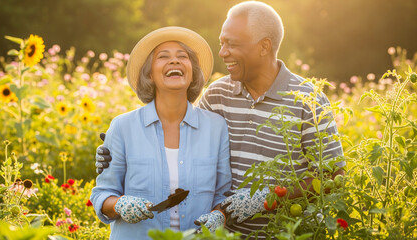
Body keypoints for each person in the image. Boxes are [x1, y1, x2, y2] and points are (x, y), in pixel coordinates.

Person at [96, 2, 345, 239]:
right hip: (227, 236)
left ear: (264, 46)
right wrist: (113, 151)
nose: (223, 53)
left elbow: (334, 176)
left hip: (283, 233)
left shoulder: (308, 101)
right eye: (222, 43)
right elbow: (178, 131)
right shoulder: (218, 95)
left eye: (232, 44)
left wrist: (270, 197)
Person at [90, 26, 232, 240]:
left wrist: (219, 215)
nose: (174, 61)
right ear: (149, 73)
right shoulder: (122, 127)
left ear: (193, 71)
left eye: (182, 57)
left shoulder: (216, 128)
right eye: (163, 57)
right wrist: (120, 205)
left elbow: (223, 194)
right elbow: (102, 194)